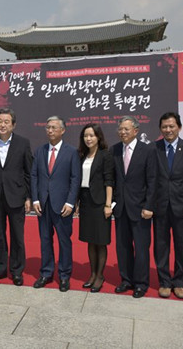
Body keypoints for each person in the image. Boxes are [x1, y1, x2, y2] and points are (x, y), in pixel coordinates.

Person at [0, 108, 32, 286]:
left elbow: (28, 172)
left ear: (13, 125)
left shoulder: (23, 143)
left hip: (16, 196)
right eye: (0, 121)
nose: (2, 125)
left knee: (18, 236)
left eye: (6, 122)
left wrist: (28, 197)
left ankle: (17, 271)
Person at [153, 112, 183, 299]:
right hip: (160, 206)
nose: (168, 130)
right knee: (161, 245)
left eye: (172, 126)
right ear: (160, 129)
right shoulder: (153, 148)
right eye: (164, 126)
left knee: (181, 246)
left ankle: (180, 282)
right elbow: (150, 178)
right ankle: (164, 282)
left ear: (179, 127)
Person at [31, 116, 81, 292]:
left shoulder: (72, 152)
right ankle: (46, 273)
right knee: (45, 240)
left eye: (53, 127)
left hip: (62, 206)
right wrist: (35, 199)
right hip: (43, 204)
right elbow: (34, 176)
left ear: (63, 130)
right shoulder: (39, 151)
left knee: (64, 241)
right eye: (48, 127)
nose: (50, 131)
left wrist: (70, 202)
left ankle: (65, 275)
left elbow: (75, 179)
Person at [110, 115, 157, 298]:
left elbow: (153, 180)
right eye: (120, 129)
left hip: (140, 208)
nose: (122, 132)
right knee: (122, 247)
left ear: (136, 131)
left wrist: (149, 205)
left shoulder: (147, 150)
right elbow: (112, 179)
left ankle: (141, 283)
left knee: (141, 247)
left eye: (126, 129)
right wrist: (112, 203)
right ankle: (126, 279)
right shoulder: (114, 150)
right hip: (121, 207)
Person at [77, 123, 114, 293]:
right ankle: (92, 274)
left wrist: (108, 204)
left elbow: (109, 181)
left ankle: (100, 275)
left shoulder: (105, 155)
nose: (88, 138)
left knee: (101, 241)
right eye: (86, 136)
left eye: (91, 135)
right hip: (85, 202)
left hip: (100, 204)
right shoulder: (82, 155)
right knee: (90, 241)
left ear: (98, 137)